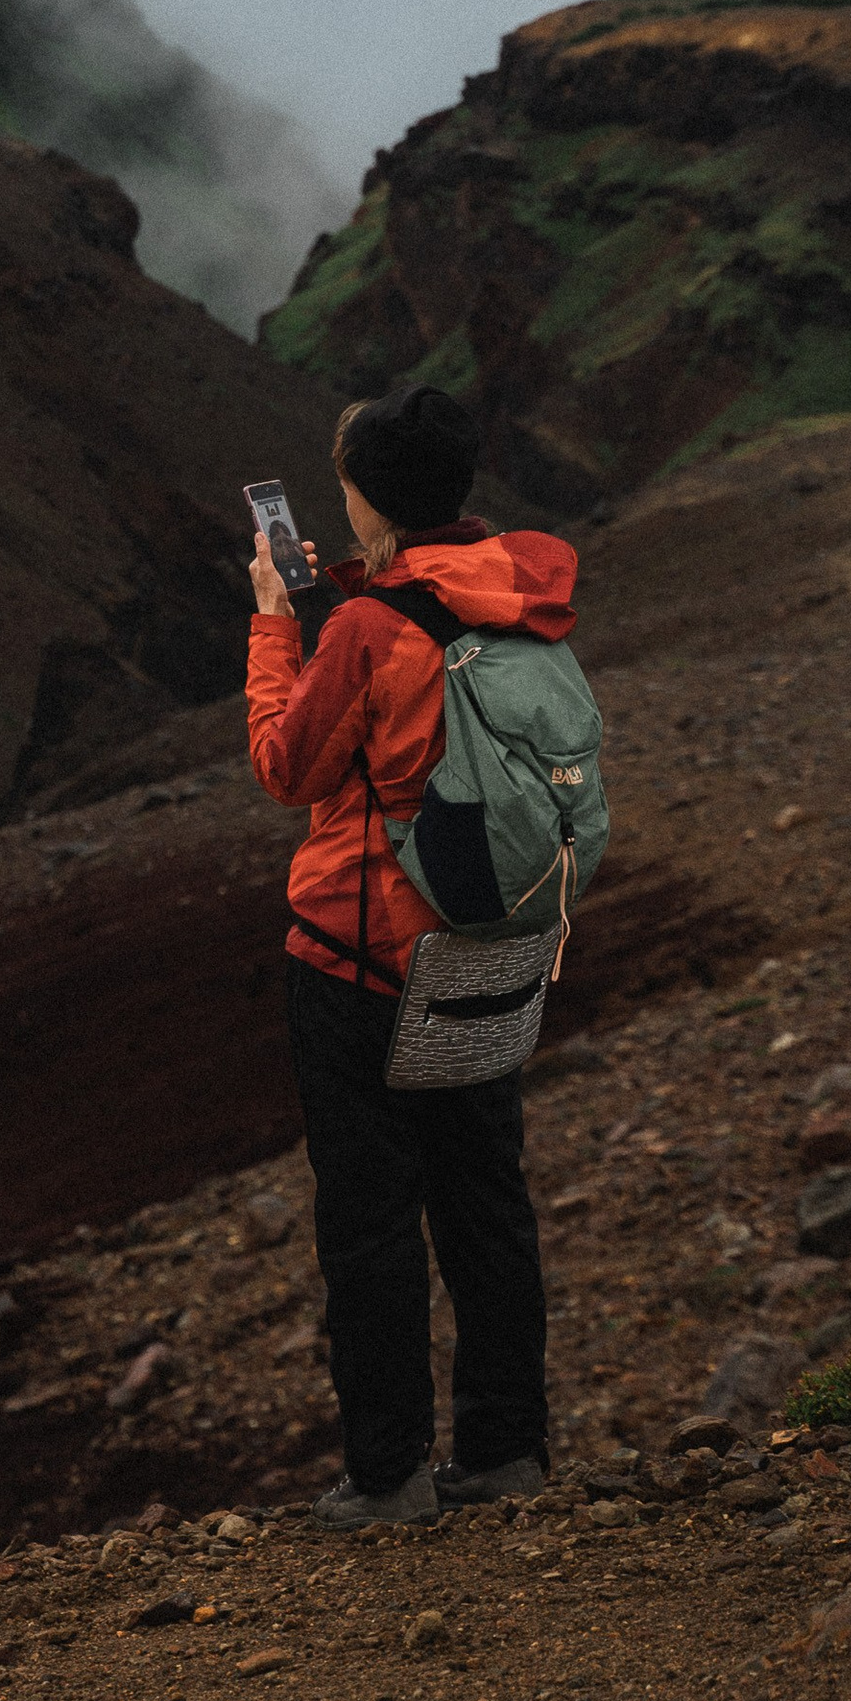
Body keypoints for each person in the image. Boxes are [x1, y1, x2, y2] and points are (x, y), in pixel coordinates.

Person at [244, 380, 579, 1529]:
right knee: (487, 1201)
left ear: (363, 496)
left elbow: (289, 767)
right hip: (494, 941)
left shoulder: (368, 627)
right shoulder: (519, 595)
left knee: (372, 1216)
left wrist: (275, 623)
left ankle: (386, 1474)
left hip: (361, 959)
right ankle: (505, 1451)